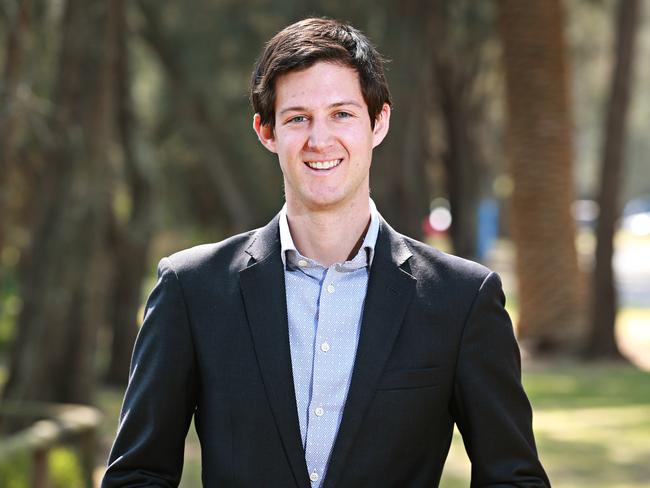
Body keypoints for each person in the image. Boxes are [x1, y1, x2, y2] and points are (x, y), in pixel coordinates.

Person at [102, 17, 550, 488]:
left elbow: (513, 479)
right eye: (298, 118)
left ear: (379, 122)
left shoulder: (461, 299)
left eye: (342, 113)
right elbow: (138, 475)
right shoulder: (191, 289)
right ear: (266, 131)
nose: (320, 140)